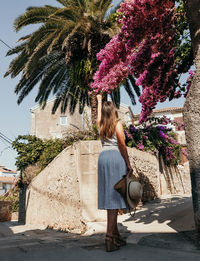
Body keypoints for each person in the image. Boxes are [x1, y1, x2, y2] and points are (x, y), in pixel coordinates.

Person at [96, 94, 133, 252]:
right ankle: (109, 237)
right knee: (114, 198)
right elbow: (122, 145)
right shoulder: (117, 124)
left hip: (103, 158)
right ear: (114, 112)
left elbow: (98, 115)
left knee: (110, 195)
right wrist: (129, 164)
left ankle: (115, 235)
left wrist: (98, 101)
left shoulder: (101, 124)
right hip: (115, 158)